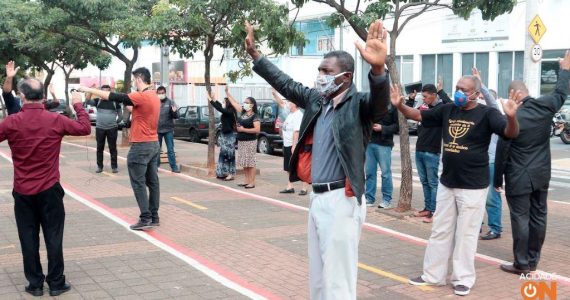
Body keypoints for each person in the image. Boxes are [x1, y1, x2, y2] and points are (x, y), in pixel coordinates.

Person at [245, 19, 389, 298]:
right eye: (319, 70)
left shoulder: (359, 106)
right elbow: (284, 83)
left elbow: (380, 104)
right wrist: (256, 56)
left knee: (338, 281)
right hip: (317, 198)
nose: (320, 75)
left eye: (327, 71)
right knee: (319, 278)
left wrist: (378, 69)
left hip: (342, 200)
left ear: (345, 77)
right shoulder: (317, 101)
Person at [393, 75, 521, 296]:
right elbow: (418, 115)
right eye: (457, 87)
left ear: (476, 93)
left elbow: (511, 133)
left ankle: (462, 279)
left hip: (473, 186)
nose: (459, 92)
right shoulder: (448, 110)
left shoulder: (488, 114)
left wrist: (510, 118)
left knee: (466, 234)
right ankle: (433, 275)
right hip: (448, 183)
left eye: (464, 89)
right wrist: (400, 105)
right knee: (440, 230)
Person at [0, 79, 91, 297]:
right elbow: (84, 127)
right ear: (43, 96)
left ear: (22, 96)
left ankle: (35, 284)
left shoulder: (12, 122)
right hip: (50, 189)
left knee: (28, 237)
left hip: (23, 190)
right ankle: (56, 283)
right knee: (53, 236)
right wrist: (78, 105)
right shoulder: (55, 119)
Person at [495, 50, 570, 275]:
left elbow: (502, 150)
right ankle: (533, 259)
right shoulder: (545, 105)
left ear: (512, 94)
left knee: (521, 219)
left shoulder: (511, 118)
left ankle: (521, 263)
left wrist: (497, 178)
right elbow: (560, 92)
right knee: (539, 216)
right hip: (541, 174)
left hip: (518, 176)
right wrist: (564, 69)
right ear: (527, 92)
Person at [79, 67, 161, 231]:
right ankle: (154, 216)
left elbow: (114, 96)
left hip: (141, 145)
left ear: (138, 79)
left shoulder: (142, 95)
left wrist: (88, 89)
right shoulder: (154, 96)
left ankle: (145, 218)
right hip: (154, 143)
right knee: (153, 182)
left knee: (138, 183)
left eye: (134, 81)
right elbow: (137, 109)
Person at [406, 82, 451, 223]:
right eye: (422, 96)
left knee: (432, 183)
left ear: (434, 95)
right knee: (424, 182)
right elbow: (409, 113)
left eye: (426, 97)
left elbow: (451, 104)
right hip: (420, 149)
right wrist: (411, 99)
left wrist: (442, 91)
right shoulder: (424, 107)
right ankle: (427, 208)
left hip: (432, 151)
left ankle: (434, 211)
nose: (424, 99)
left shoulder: (442, 108)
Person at [225, 87, 260, 189]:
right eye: (244, 102)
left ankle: (252, 182)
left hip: (250, 141)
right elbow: (234, 103)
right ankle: (246, 180)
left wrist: (244, 129)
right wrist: (227, 93)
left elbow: (257, 130)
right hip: (242, 141)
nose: (244, 104)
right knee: (244, 161)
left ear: (252, 105)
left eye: (247, 102)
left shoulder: (255, 116)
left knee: (250, 161)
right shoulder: (243, 112)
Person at [365, 104, 398, 208]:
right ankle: (369, 198)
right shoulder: (371, 103)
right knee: (370, 173)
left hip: (384, 144)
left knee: (385, 173)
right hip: (369, 142)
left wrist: (382, 128)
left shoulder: (393, 106)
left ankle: (387, 200)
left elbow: (397, 126)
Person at [86, 84, 122, 173]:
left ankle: (114, 167)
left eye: (107, 91)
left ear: (110, 92)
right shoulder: (97, 101)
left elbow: (120, 116)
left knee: (112, 148)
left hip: (112, 129)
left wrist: (115, 123)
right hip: (100, 129)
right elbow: (87, 101)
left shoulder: (115, 102)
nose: (105, 93)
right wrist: (90, 91)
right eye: (103, 91)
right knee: (99, 148)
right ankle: (99, 167)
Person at [278, 99, 309, 195]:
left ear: (295, 104)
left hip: (293, 144)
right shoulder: (290, 114)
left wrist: (294, 145)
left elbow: (297, 131)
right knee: (288, 166)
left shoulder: (298, 115)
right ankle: (290, 186)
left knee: (300, 166)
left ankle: (304, 188)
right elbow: (287, 127)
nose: (288, 104)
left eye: (290, 102)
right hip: (287, 143)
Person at [209, 92, 237, 181]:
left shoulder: (230, 112)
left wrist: (211, 101)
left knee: (230, 155)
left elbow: (220, 108)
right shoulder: (226, 112)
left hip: (229, 136)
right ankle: (222, 173)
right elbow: (220, 106)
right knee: (223, 154)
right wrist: (214, 99)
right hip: (224, 135)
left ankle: (231, 174)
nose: (223, 103)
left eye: (224, 102)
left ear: (228, 103)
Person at [156, 86, 181, 173]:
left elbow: (177, 116)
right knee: (157, 150)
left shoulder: (171, 102)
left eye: (162, 93)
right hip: (157, 130)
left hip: (168, 130)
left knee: (170, 149)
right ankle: (156, 167)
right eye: (159, 93)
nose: (161, 94)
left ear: (165, 93)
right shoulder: (155, 102)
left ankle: (174, 167)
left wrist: (174, 112)